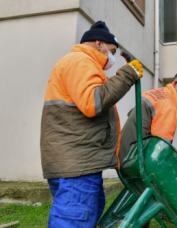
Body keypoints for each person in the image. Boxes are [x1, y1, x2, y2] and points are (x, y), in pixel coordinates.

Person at [40, 21, 144, 227]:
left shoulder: (81, 64)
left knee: (88, 212)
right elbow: (93, 103)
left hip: (78, 163)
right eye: (111, 51)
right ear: (99, 44)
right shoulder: (80, 61)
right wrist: (128, 74)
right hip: (76, 166)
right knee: (74, 220)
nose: (111, 57)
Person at [118, 71, 177, 161]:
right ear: (175, 83)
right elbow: (161, 143)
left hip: (124, 149)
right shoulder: (169, 106)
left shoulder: (153, 93)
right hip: (136, 157)